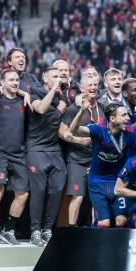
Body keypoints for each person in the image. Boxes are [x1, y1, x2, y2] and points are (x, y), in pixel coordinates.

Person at [70, 102, 136, 228]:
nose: (128, 118)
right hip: (97, 181)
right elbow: (74, 130)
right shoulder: (99, 130)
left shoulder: (130, 133)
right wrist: (82, 111)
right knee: (103, 224)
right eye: (124, 115)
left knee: (121, 222)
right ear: (112, 119)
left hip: (118, 181)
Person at [0, 69, 30, 245]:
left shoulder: (23, 100)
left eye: (17, 79)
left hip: (18, 154)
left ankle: (8, 229)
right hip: (0, 153)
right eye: (11, 80)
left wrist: (24, 93)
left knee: (23, 193)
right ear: (3, 82)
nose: (15, 82)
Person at [26, 67, 67, 246]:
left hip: (54, 149)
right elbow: (41, 109)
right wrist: (54, 93)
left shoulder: (61, 99)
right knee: (39, 191)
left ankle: (47, 228)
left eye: (60, 76)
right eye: (54, 76)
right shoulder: (34, 92)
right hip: (36, 149)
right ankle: (35, 230)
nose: (59, 79)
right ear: (45, 79)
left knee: (57, 190)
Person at [59, 74, 103, 227]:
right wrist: (78, 140)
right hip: (77, 160)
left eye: (95, 85)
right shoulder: (73, 109)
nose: (93, 88)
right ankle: (71, 229)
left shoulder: (101, 108)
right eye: (89, 85)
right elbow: (62, 132)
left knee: (96, 197)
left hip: (96, 159)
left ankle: (93, 228)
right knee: (77, 196)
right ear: (82, 88)